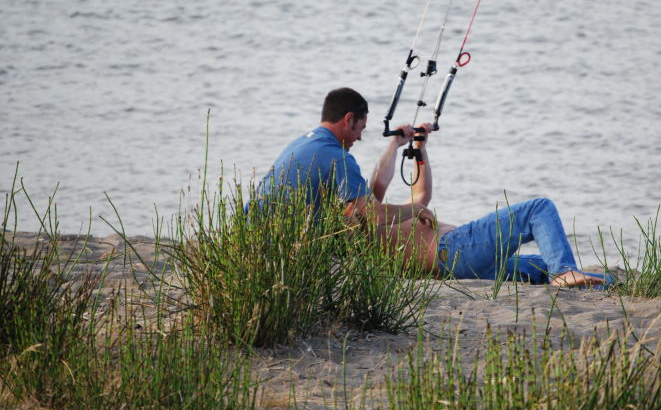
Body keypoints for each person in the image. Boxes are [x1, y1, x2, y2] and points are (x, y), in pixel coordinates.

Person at [251, 87, 611, 288]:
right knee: (539, 209)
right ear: (349, 119)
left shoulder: (347, 216)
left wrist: (411, 148)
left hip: (463, 266)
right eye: (361, 128)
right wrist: (414, 210)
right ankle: (565, 272)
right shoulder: (355, 220)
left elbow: (406, 194)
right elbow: (387, 205)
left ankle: (569, 274)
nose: (360, 138)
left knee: (576, 275)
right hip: (454, 250)